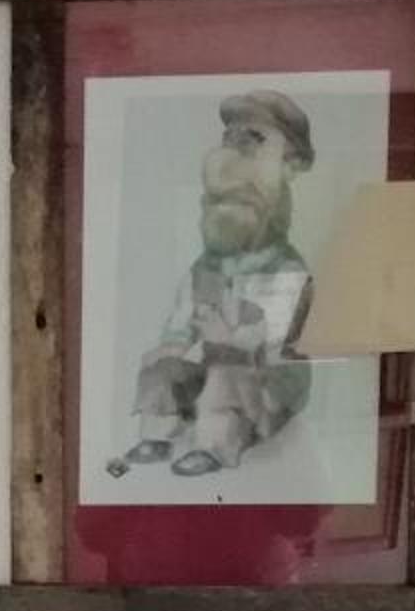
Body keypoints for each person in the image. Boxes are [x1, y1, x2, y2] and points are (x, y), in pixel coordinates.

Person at [114, 88, 317, 479]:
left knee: (227, 374)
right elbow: (181, 322)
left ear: (290, 164)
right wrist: (172, 347)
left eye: (253, 138)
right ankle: (157, 434)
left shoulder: (286, 270)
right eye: (230, 138)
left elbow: (275, 343)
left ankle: (215, 446)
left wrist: (232, 339)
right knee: (164, 366)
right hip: (214, 370)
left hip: (267, 380)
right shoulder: (204, 268)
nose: (233, 152)